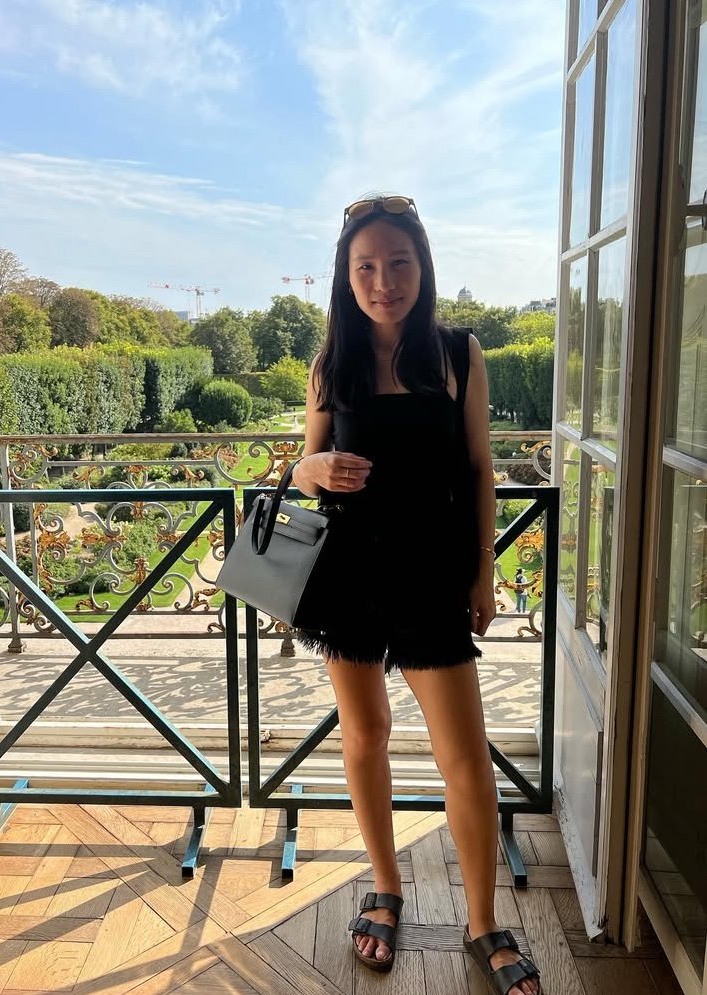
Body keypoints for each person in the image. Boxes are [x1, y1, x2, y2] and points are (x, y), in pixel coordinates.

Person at [290, 195, 541, 995]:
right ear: (346, 275)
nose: (383, 281)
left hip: (433, 575)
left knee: (464, 754)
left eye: (398, 262)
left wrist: (483, 572)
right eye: (365, 266)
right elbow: (303, 468)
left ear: (423, 267)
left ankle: (483, 920)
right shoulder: (332, 362)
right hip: (347, 573)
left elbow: (481, 470)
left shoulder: (459, 353)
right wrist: (312, 468)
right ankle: (385, 886)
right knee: (365, 734)